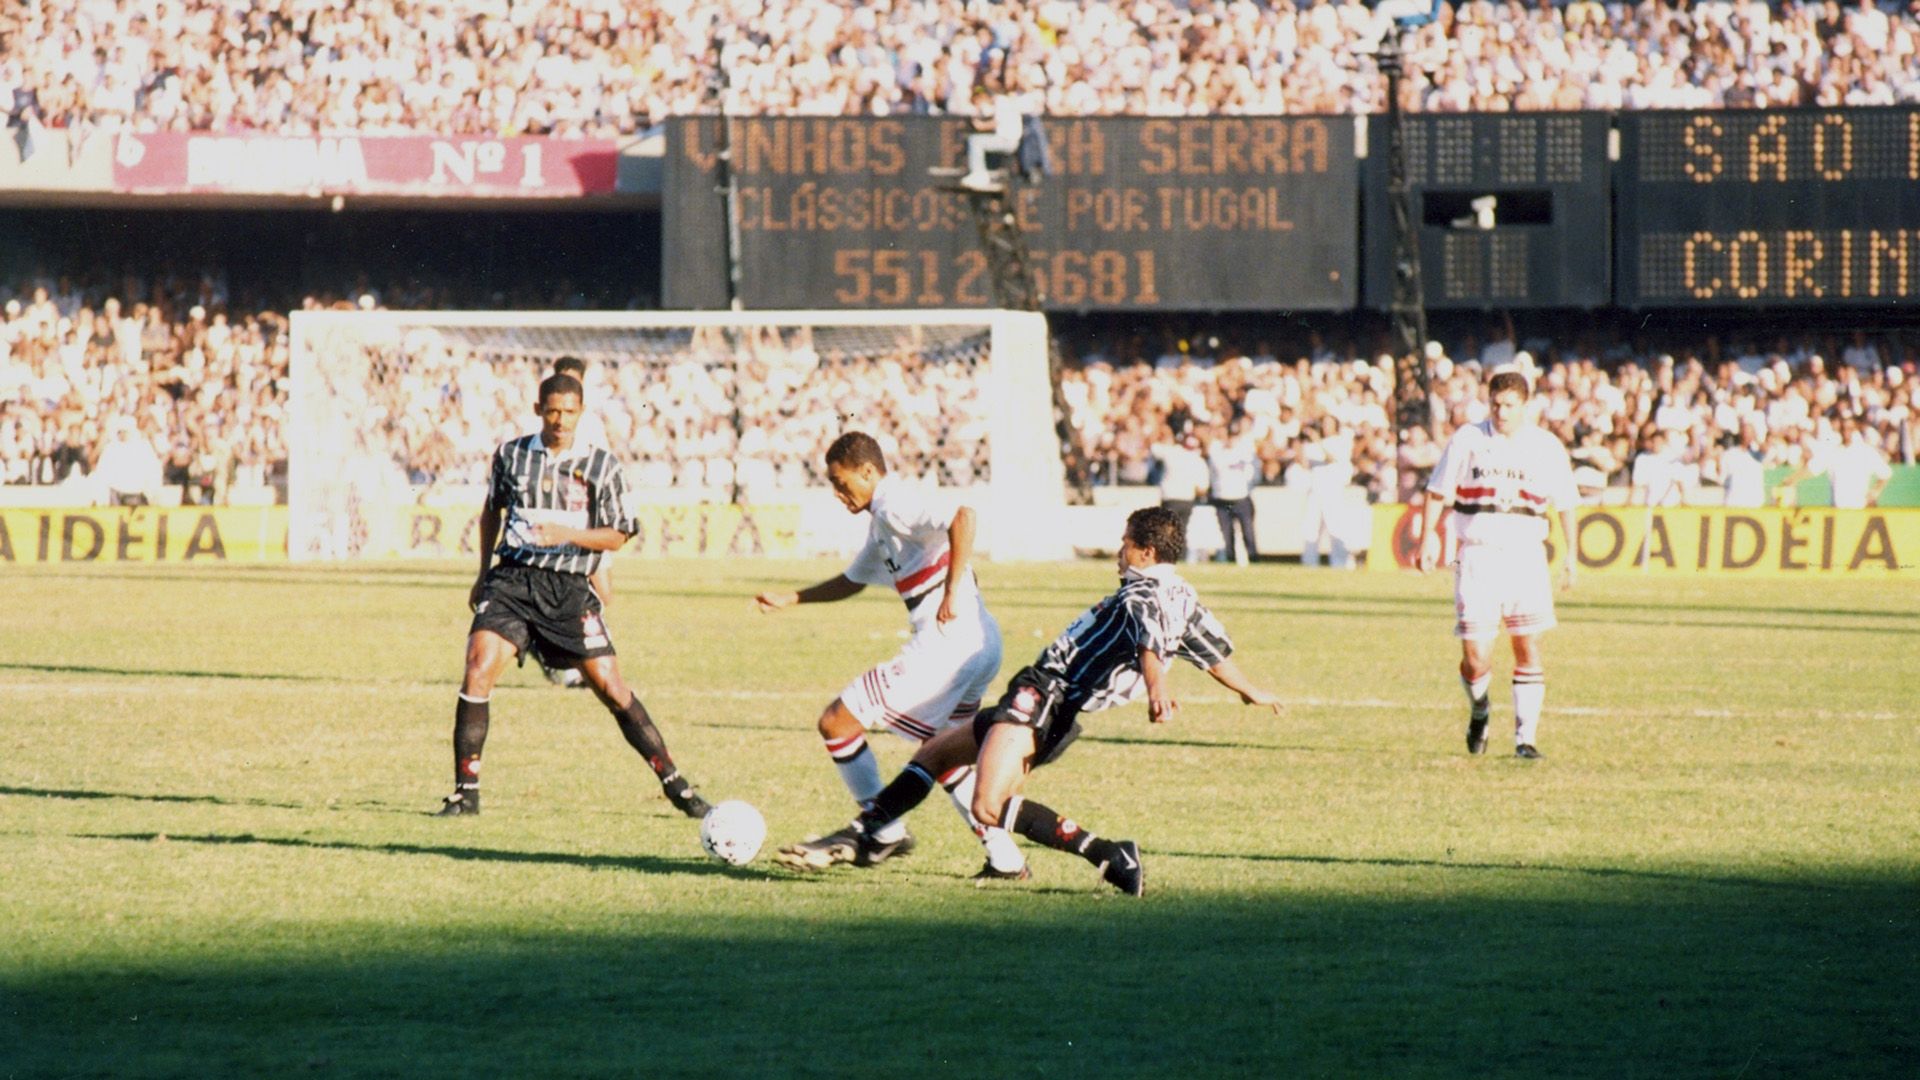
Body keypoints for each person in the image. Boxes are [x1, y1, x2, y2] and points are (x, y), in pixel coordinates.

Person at [834, 507, 1284, 896]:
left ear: (1146, 553)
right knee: (934, 754)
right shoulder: (1182, 595)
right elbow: (1212, 650)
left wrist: (1158, 690)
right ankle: (866, 832)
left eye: (1125, 545)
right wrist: (1249, 690)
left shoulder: (1144, 593)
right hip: (1050, 703)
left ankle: (1109, 853)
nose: (1118, 553)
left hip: (1045, 695)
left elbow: (1149, 643)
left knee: (988, 806)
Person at [434, 371, 710, 819]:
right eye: (553, 411)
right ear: (538, 409)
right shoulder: (511, 455)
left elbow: (619, 535)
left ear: (582, 412)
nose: (560, 420)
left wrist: (567, 533)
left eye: (569, 412)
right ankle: (465, 793)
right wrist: (483, 572)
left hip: (568, 590)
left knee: (613, 688)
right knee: (477, 669)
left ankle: (677, 787)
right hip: (513, 583)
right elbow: (491, 513)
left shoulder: (603, 466)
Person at [755, 432, 1026, 880]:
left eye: (843, 484)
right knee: (943, 753)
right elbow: (853, 580)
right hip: (980, 642)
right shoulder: (882, 520)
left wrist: (953, 590)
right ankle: (1006, 859)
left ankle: (884, 832)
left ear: (868, 471)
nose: (840, 494)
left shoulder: (896, 502)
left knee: (837, 722)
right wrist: (793, 598)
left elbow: (964, 516)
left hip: (946, 644)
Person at [1418, 369, 1579, 760]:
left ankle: (1525, 739)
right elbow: (1437, 490)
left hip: (1526, 556)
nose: (1501, 412)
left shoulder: (1545, 446)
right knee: (1476, 657)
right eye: (1495, 404)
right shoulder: (1469, 439)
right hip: (1477, 554)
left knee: (1527, 645)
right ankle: (1480, 710)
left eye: (1509, 405)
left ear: (1526, 405)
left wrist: (1571, 555)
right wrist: (1428, 537)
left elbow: (1566, 503)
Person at [533, 355, 611, 689]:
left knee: (603, 594)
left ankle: (563, 659)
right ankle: (570, 666)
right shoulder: (540, 428)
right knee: (572, 592)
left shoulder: (591, 426)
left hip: (586, 520)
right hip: (553, 523)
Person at [1775, 411, 1892, 508]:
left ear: (1855, 429)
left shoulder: (1866, 452)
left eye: (1850, 428)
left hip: (1859, 511)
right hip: (1837, 511)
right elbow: (1813, 468)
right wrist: (1791, 479)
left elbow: (1885, 474)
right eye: (1843, 428)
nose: (1846, 432)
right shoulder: (1834, 451)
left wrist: (1875, 491)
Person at [1300, 416, 1356, 568]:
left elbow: (1330, 458)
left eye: (1329, 424)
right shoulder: (1313, 444)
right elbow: (1305, 464)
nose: (1326, 427)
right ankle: (1309, 562)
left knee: (1335, 527)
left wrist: (1317, 441)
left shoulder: (1340, 441)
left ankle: (1341, 563)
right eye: (1324, 424)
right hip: (1315, 488)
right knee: (1310, 528)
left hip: (1332, 489)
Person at [1207, 417, 1261, 564]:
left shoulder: (1245, 452)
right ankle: (1230, 558)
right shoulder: (1217, 451)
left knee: (1248, 532)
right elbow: (1217, 465)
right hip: (1222, 498)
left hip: (1241, 497)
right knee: (1226, 533)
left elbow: (1253, 473)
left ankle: (1253, 557)